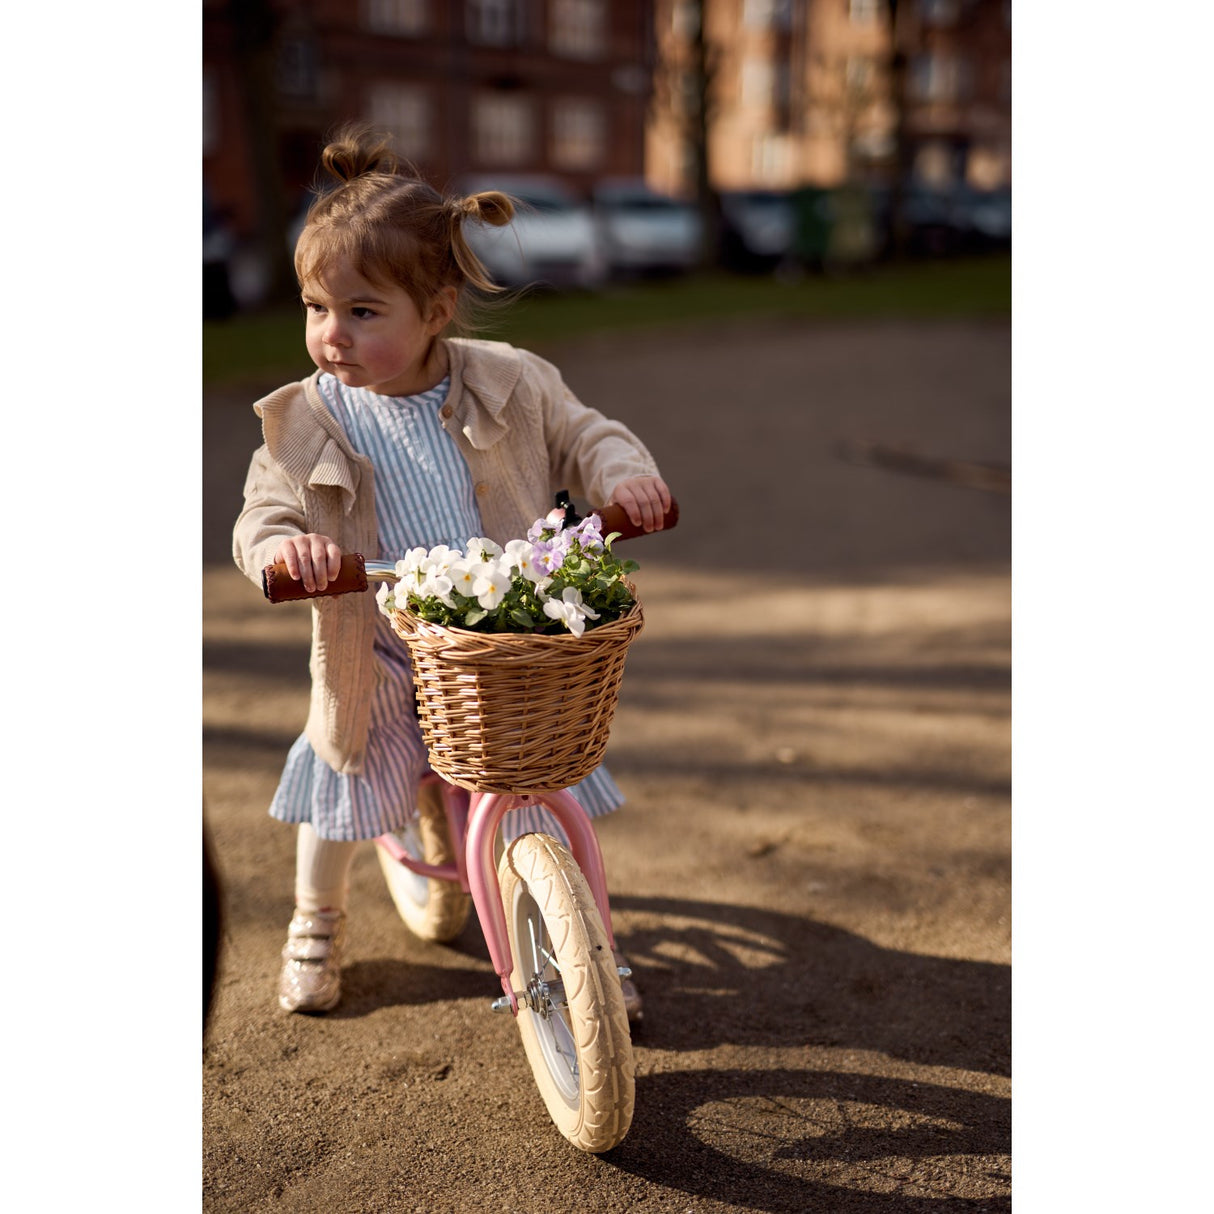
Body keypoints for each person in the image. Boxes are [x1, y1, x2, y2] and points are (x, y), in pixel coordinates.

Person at [232, 124, 670, 1020]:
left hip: (499, 640)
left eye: (362, 312)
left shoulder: (510, 380)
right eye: (316, 308)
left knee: (537, 783)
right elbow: (264, 510)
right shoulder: (307, 420)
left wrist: (621, 476)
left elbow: (585, 433)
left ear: (436, 310)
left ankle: (590, 942)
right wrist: (284, 551)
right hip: (383, 647)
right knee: (342, 779)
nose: (331, 335)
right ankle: (315, 919)